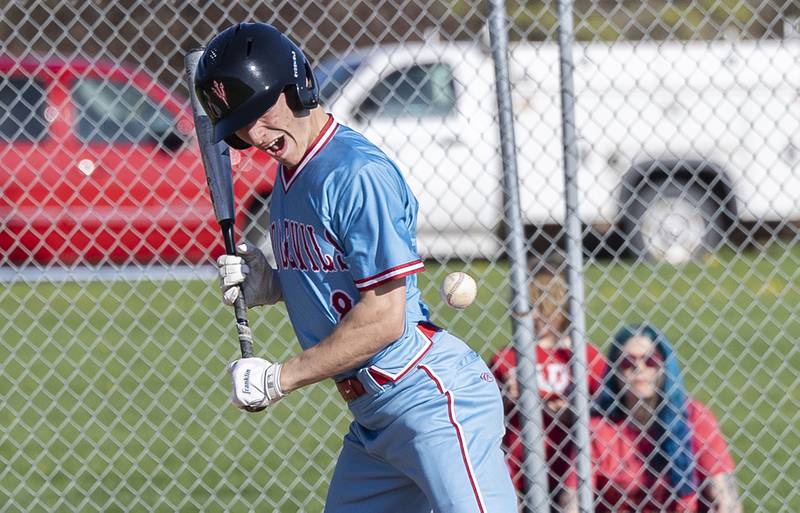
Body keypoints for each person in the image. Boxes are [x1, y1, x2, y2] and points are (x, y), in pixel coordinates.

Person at [196, 22, 517, 513]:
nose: (254, 134)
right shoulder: (291, 175)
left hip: (429, 400)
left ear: (295, 86)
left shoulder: (356, 174)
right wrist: (273, 284)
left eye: (261, 111)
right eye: (240, 125)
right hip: (374, 419)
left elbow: (384, 320)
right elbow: (333, 277)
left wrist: (279, 378)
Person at [591, 324, 742, 513]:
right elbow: (572, 498)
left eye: (650, 360)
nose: (640, 368)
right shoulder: (599, 428)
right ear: (614, 371)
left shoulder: (693, 415)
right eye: (628, 362)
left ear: (665, 366)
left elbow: (726, 497)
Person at [490, 268, 607, 511]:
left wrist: (572, 409)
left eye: (542, 307)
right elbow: (487, 416)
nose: (534, 316)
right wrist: (506, 399)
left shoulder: (584, 355)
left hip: (573, 467)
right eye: (528, 308)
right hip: (520, 469)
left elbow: (607, 409)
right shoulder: (507, 358)